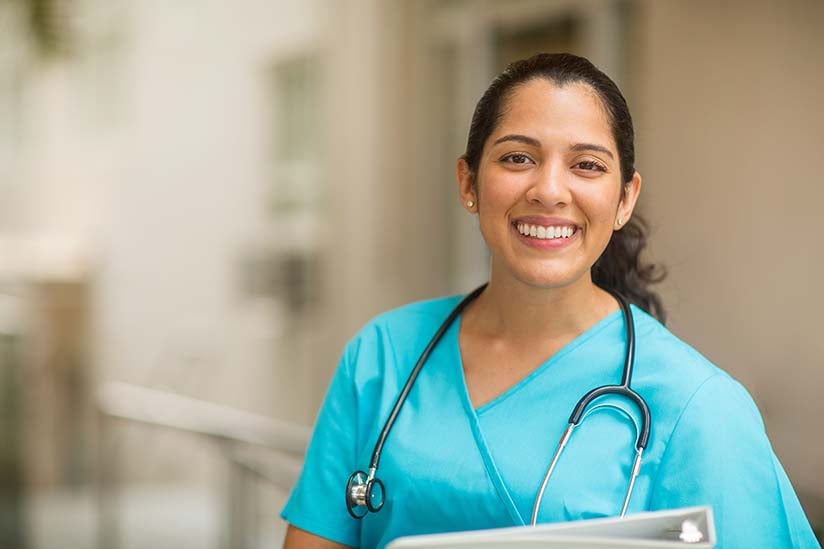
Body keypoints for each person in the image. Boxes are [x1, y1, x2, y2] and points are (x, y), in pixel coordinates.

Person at [281, 53, 820, 549]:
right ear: (468, 181)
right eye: (518, 157)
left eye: (586, 165)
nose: (549, 190)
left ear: (624, 199)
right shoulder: (381, 356)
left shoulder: (698, 408)